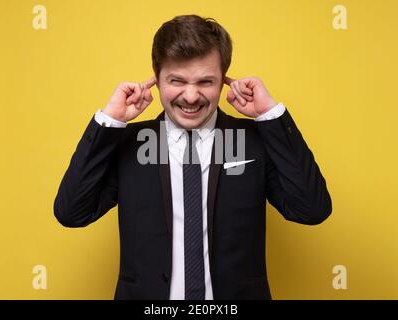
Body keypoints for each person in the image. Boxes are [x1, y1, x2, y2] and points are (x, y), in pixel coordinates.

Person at [54, 14, 332, 300]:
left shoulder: (253, 141)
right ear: (156, 79)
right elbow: (72, 212)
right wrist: (110, 121)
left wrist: (270, 116)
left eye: (205, 82)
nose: (190, 96)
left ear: (224, 80)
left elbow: (312, 210)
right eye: (176, 80)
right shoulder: (128, 143)